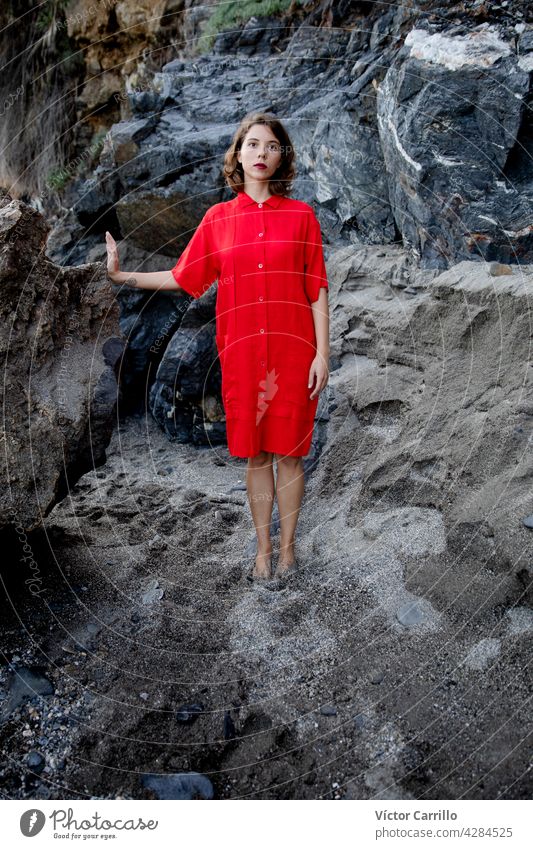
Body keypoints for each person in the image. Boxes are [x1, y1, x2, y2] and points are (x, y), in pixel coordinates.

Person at [106, 111, 330, 581]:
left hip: (294, 353)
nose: (261, 154)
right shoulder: (218, 219)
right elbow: (182, 277)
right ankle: (263, 550)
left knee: (290, 452)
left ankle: (288, 550)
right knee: (256, 454)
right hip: (243, 355)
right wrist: (120, 274)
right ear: (238, 154)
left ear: (281, 156)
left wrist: (322, 355)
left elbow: (317, 289)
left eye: (270, 146)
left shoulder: (302, 216)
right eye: (252, 145)